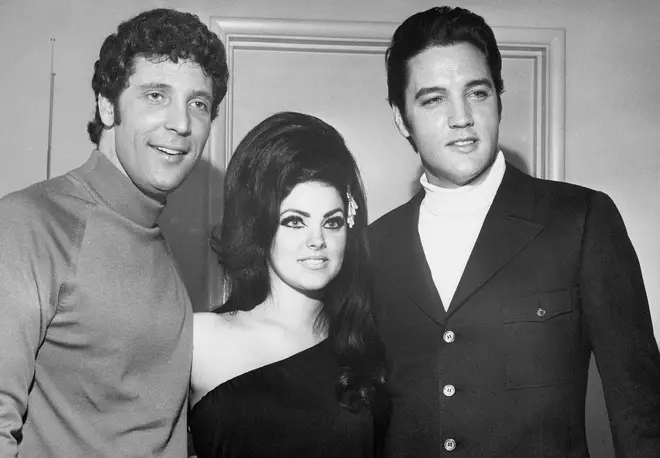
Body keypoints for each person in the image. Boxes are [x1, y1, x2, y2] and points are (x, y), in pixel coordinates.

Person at [368, 5, 660, 457]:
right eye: (433, 99)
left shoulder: (580, 220)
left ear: (499, 99)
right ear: (400, 117)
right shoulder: (374, 247)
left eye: (477, 93)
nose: (460, 116)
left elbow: (642, 415)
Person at [0, 8, 228, 457]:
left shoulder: (158, 244)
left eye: (198, 104)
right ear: (108, 106)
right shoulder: (30, 223)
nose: (181, 124)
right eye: (156, 95)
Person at [189, 111, 389, 457]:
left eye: (333, 221)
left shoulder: (365, 345)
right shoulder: (200, 339)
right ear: (261, 228)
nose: (317, 240)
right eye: (295, 221)